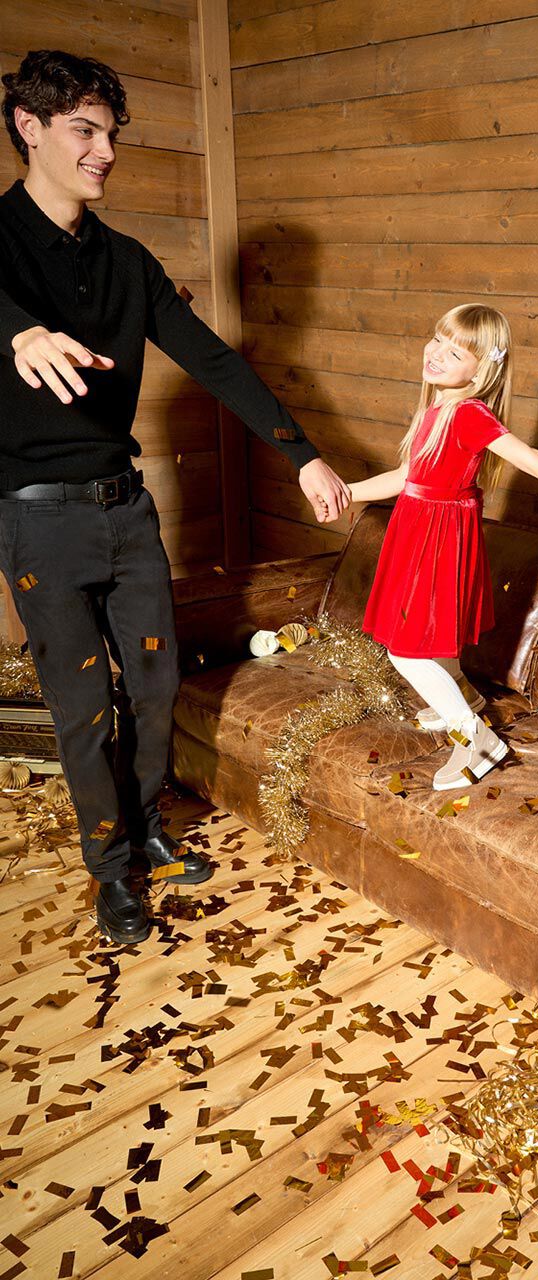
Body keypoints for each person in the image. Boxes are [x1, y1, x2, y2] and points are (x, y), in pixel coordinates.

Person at [0, 50, 350, 946]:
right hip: (37, 519)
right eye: (84, 131)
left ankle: (148, 824)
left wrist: (303, 456)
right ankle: (108, 868)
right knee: (83, 707)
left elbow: (215, 360)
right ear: (28, 128)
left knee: (155, 686)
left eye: (111, 134)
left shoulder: (128, 261)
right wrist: (20, 332)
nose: (105, 152)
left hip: (126, 511)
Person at [343, 303, 538, 789]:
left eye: (455, 353)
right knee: (427, 634)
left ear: (482, 371)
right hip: (416, 533)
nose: (437, 354)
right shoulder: (437, 408)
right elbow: (406, 477)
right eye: (438, 340)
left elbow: (529, 458)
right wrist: (345, 493)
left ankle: (475, 739)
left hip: (438, 541)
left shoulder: (469, 414)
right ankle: (462, 695)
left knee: (406, 652)